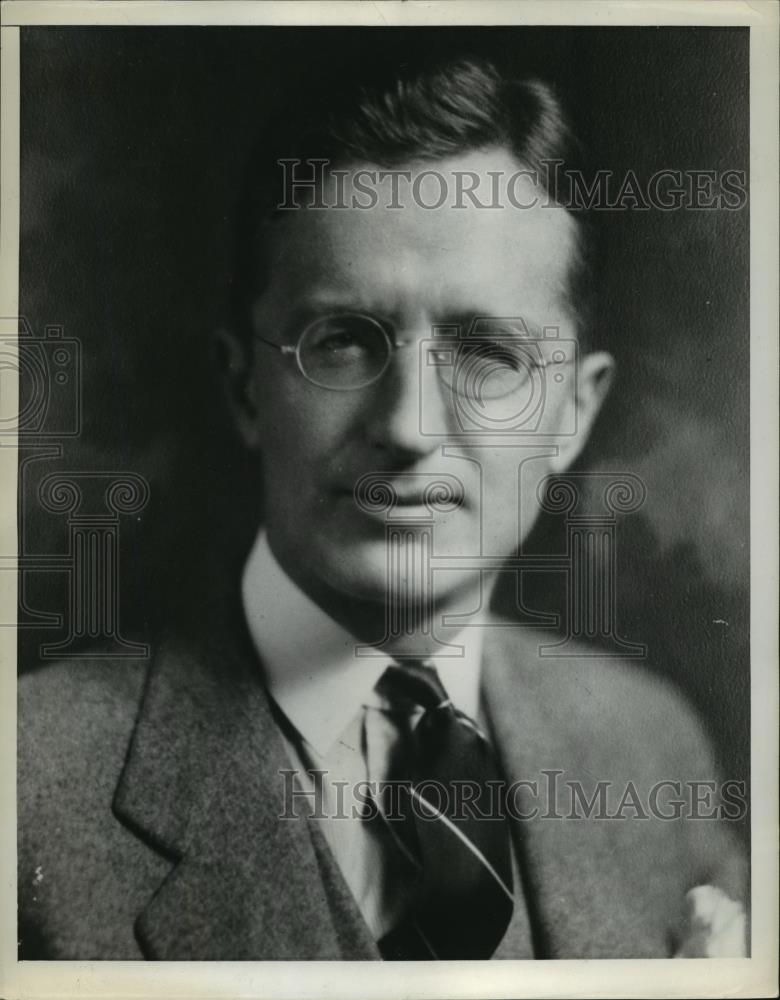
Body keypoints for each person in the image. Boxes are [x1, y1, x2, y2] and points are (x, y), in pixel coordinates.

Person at [18, 53, 747, 960]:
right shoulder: (29, 791)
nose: (406, 426)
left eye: (485, 351)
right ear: (246, 389)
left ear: (573, 411)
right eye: (344, 343)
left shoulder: (649, 742)